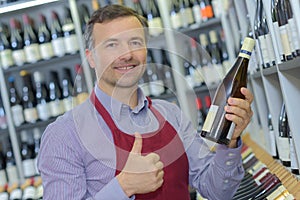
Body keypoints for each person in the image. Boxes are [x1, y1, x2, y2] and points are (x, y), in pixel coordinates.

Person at [38, 4, 254, 200]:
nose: (126, 54)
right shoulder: (65, 134)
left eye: (135, 42)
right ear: (91, 58)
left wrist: (230, 140)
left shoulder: (171, 114)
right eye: (112, 45)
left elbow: (217, 191)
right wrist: (123, 187)